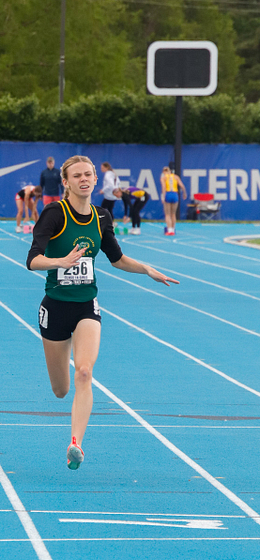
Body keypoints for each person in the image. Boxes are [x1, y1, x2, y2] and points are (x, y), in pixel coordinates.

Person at [26, 155, 178, 470]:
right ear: (66, 182)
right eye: (76, 176)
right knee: (61, 389)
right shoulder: (55, 214)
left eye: (88, 174)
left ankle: (76, 443)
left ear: (96, 179)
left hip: (86, 305)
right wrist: (60, 262)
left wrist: (147, 269)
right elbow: (32, 260)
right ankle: (65, 396)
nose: (83, 179)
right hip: (55, 306)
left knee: (84, 372)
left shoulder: (102, 217)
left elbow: (117, 259)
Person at [160, 166, 187, 236]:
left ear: (163, 172)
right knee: (173, 213)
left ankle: (169, 230)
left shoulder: (163, 178)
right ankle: (173, 229)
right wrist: (184, 193)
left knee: (167, 214)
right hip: (175, 194)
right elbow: (182, 185)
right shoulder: (176, 177)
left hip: (168, 194)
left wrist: (163, 196)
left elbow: (164, 187)